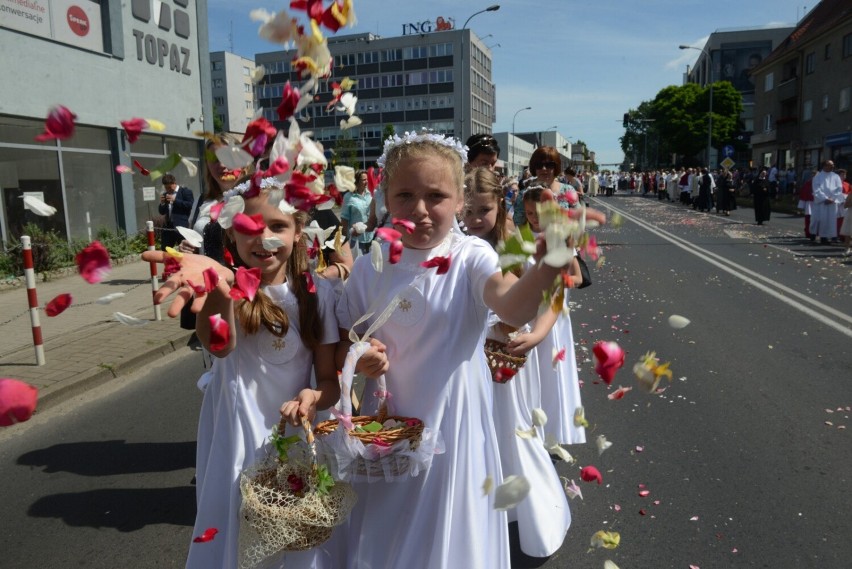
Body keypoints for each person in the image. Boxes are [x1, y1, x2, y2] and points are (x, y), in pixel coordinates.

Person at [334, 131, 581, 569]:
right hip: (388, 426)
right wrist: (361, 356)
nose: (421, 210)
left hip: (455, 421)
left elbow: (509, 302)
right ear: (385, 196)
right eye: (405, 195)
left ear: (460, 199)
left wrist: (546, 267)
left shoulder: (471, 256)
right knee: (388, 528)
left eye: (436, 196)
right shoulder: (372, 263)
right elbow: (345, 341)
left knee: (448, 534)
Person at [143, 177, 342, 569]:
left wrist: (313, 399)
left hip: (297, 435)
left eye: (277, 227)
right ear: (231, 236)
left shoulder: (318, 295)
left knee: (299, 532)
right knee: (239, 531)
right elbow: (220, 344)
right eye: (248, 229)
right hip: (239, 437)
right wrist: (219, 287)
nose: (262, 238)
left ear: (298, 231)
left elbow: (329, 383)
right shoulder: (229, 293)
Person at [462, 168, 571, 557]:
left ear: (501, 206)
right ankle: (483, 513)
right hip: (468, 360)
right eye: (468, 210)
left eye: (483, 210)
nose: (474, 219)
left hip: (507, 357)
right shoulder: (457, 247)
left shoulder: (518, 244)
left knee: (513, 432)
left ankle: (537, 520)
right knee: (474, 438)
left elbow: (554, 295)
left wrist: (538, 335)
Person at [522, 188, 586, 447]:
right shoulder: (522, 237)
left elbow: (579, 278)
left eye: (538, 214)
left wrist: (555, 279)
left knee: (552, 370)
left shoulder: (560, 238)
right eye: (528, 214)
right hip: (527, 312)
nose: (534, 219)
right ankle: (529, 425)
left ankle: (555, 431)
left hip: (554, 315)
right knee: (530, 372)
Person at [340, 169, 374, 258]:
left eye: (367, 179)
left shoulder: (371, 194)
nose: (366, 182)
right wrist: (344, 239)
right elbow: (344, 219)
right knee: (358, 266)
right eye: (364, 180)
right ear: (356, 181)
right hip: (356, 240)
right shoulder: (348, 197)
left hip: (371, 238)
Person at [810, 160, 844, 243]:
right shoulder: (818, 177)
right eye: (830, 165)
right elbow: (816, 189)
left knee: (831, 220)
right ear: (824, 166)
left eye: (833, 165)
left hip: (832, 202)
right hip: (822, 202)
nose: (832, 166)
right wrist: (825, 198)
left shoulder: (835, 176)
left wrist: (832, 198)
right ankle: (814, 234)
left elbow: (839, 188)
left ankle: (827, 236)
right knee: (819, 219)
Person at [158, 173, 194, 250]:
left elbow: (189, 205)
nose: (168, 190)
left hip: (181, 227)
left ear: (174, 183)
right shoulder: (165, 194)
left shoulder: (185, 192)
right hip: (168, 228)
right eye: (166, 188)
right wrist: (162, 203)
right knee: (165, 250)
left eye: (170, 187)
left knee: (184, 250)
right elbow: (162, 212)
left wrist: (175, 200)